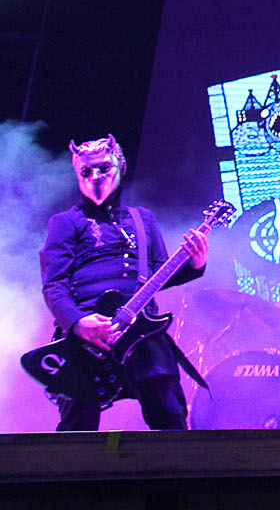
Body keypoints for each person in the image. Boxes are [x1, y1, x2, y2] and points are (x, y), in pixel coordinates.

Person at [38, 135, 209, 431]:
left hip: (142, 332)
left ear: (120, 167)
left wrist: (195, 265)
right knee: (78, 427)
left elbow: (160, 274)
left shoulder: (143, 219)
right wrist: (77, 322)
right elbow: (54, 284)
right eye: (86, 171)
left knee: (169, 412)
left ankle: (175, 462)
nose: (95, 176)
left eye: (104, 168)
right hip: (87, 335)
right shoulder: (65, 222)